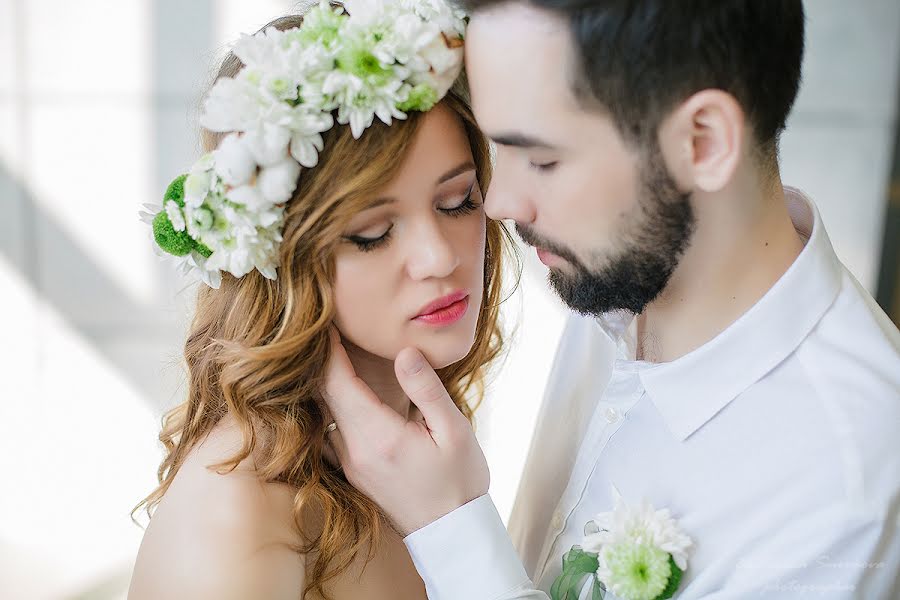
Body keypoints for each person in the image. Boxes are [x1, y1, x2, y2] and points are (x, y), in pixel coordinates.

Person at [320, 1, 900, 598]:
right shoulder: (625, 278)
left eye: (542, 159)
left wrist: (450, 528)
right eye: (499, 152)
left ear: (701, 143)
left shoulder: (848, 488)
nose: (500, 203)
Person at [127, 2, 514, 599]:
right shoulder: (238, 520)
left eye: (458, 201)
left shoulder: (416, 459)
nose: (440, 256)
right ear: (280, 255)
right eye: (372, 233)